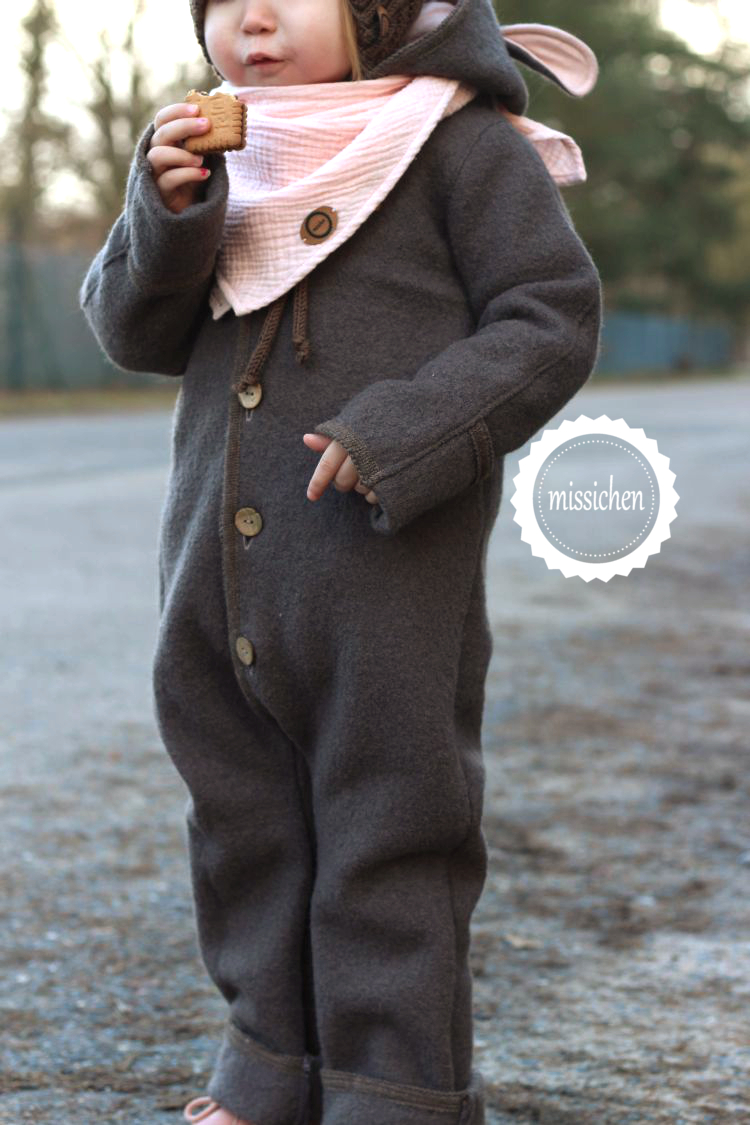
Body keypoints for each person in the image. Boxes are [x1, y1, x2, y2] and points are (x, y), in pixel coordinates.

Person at [79, 0, 602, 1119]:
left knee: (389, 824)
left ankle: (392, 1091)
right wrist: (168, 219)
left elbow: (551, 317)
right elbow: (133, 335)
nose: (253, 19)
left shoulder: (457, 143)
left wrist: (410, 429)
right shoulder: (208, 146)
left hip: (383, 570)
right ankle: (266, 1074)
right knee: (243, 823)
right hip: (213, 573)